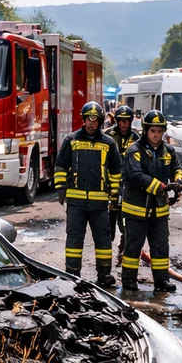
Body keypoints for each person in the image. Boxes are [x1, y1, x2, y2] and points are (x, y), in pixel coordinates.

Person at [54, 101, 121, 287]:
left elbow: (116, 171)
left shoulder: (109, 143)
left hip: (100, 204)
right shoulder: (71, 140)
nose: (92, 124)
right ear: (84, 120)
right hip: (76, 203)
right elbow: (60, 165)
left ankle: (104, 274)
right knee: (74, 238)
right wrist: (61, 188)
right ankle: (73, 273)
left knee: (103, 240)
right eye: (89, 120)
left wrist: (115, 195)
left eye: (95, 120)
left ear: (100, 121)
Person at [121, 109, 182, 293]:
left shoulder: (169, 151)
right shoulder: (135, 151)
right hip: (137, 210)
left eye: (159, 131)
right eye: (153, 131)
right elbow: (136, 176)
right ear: (145, 131)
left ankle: (161, 281)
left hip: (159, 211)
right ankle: (129, 281)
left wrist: (179, 180)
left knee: (160, 247)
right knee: (133, 247)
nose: (156, 135)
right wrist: (161, 186)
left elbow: (177, 168)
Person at [106, 105, 140, 264]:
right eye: (121, 121)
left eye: (127, 121)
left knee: (127, 225)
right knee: (107, 228)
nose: (124, 124)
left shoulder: (137, 138)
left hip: (128, 188)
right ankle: (104, 258)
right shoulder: (108, 136)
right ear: (116, 121)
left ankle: (123, 252)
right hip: (109, 188)